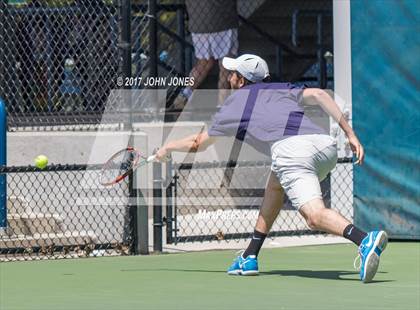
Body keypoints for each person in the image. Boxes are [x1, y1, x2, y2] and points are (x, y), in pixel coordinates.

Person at [156, 54, 388, 283]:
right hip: (323, 144)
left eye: (232, 74)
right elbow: (319, 94)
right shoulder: (279, 88)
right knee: (274, 188)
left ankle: (364, 239)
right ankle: (250, 255)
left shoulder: (234, 104)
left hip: (292, 152)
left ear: (241, 80)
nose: (228, 78)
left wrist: (168, 147)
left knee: (314, 217)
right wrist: (351, 134)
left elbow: (198, 143)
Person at [170, 0, 239, 110]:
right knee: (226, 64)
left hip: (198, 20)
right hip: (223, 20)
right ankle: (222, 106)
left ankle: (184, 95)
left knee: (204, 63)